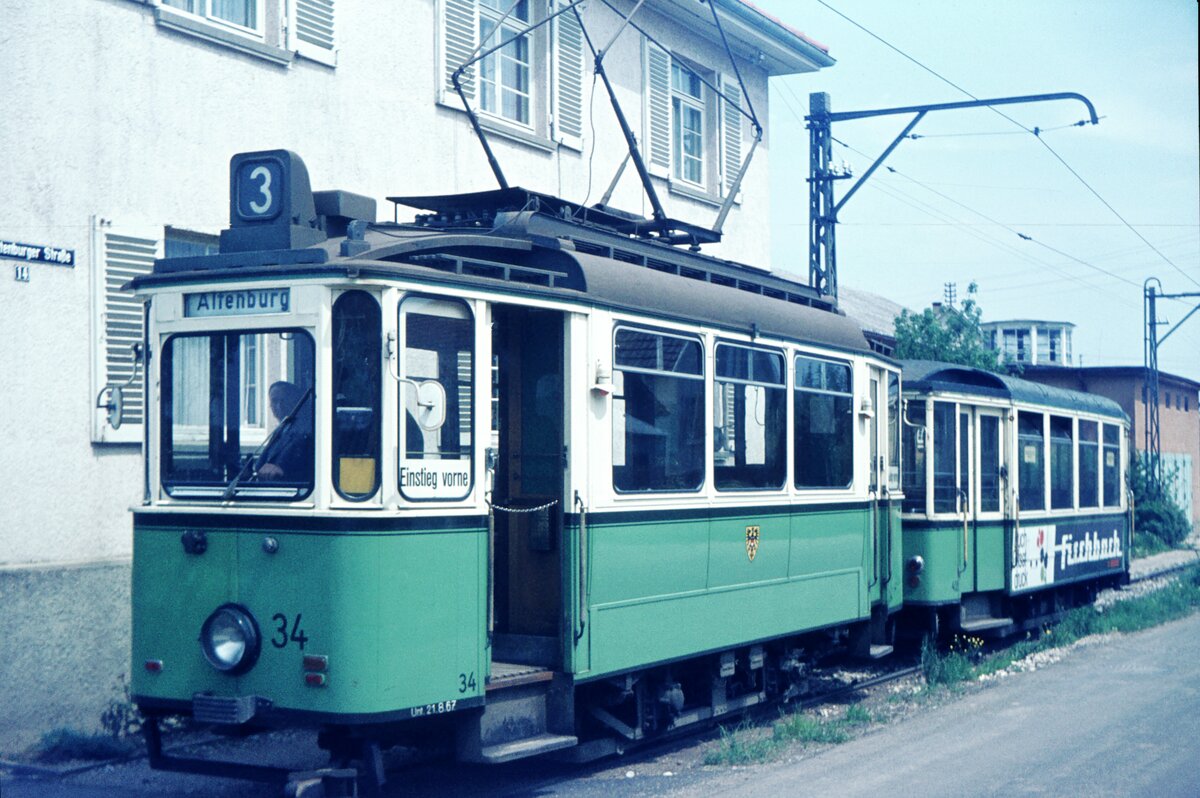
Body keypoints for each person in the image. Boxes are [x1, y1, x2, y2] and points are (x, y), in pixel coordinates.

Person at [256, 381, 313, 481]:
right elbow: (261, 465)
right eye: (274, 401)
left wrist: (283, 472)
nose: (279, 406)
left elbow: (314, 468)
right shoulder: (281, 429)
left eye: (283, 401)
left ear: (294, 401)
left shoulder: (307, 430)